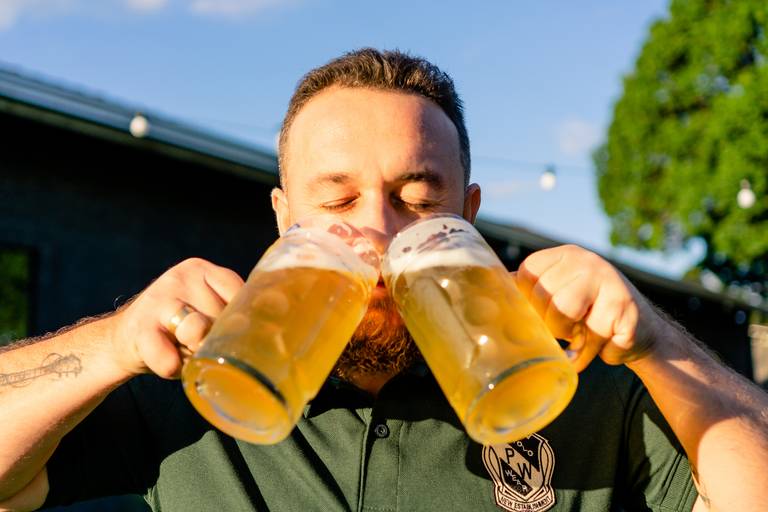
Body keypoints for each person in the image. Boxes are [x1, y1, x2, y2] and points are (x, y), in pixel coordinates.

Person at [1, 48, 767, 512]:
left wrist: (657, 341)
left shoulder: (573, 381)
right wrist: (112, 344)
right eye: (336, 202)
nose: (376, 232)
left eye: (419, 201)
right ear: (282, 217)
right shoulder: (195, 383)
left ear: (468, 215)